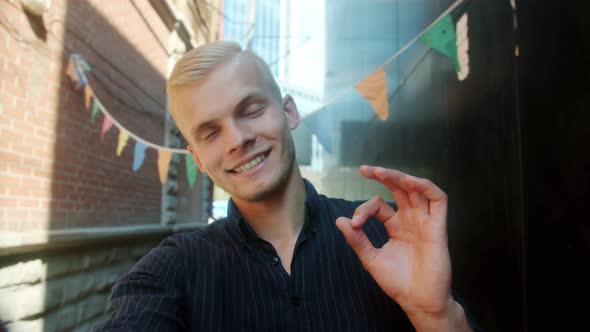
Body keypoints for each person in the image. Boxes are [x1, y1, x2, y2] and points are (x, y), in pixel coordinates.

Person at [92, 41, 480, 331]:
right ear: (197, 158)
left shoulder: (385, 234)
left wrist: (437, 315)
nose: (237, 139)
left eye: (252, 110)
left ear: (289, 112)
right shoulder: (171, 270)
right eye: (210, 133)